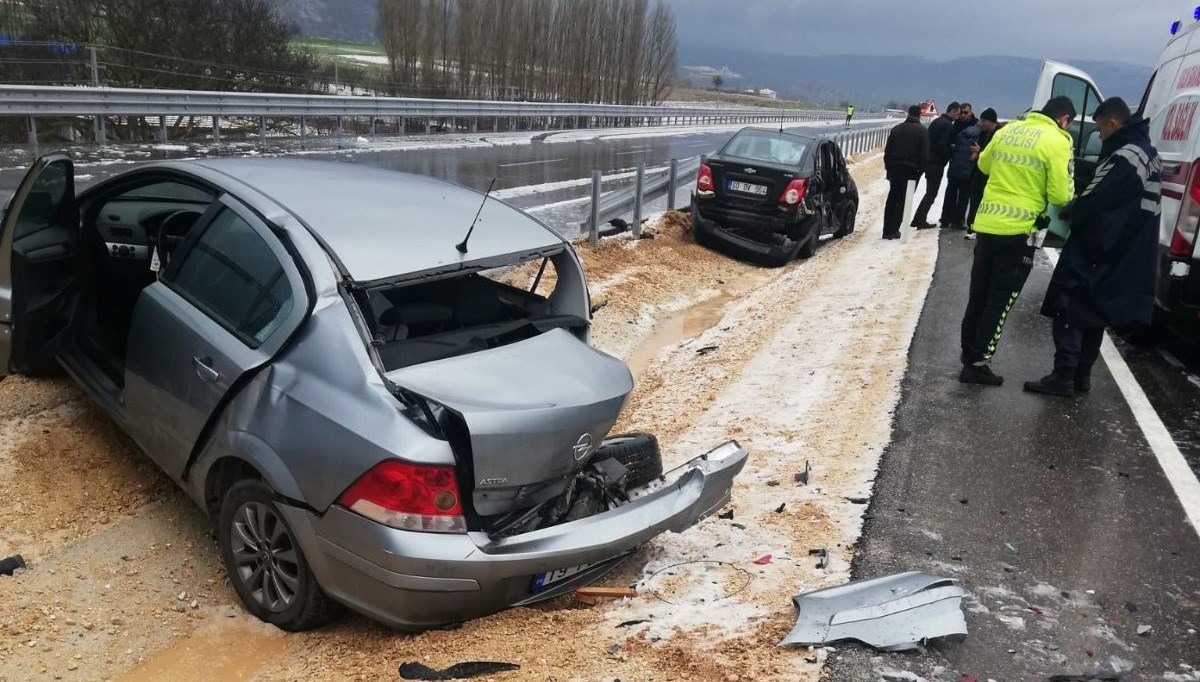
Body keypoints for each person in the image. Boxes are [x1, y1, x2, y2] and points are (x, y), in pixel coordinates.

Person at [1025, 97, 1162, 396]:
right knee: (1094, 313)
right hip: (1124, 248)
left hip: (1099, 245)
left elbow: (1096, 199)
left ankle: (1063, 377)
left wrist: (1070, 209)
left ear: (1113, 122)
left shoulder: (1126, 156)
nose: (1099, 136)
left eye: (1100, 129)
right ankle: (1081, 378)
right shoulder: (1147, 153)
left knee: (1069, 307)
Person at [959, 95, 1076, 386]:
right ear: (1064, 119)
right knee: (999, 301)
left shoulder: (1007, 130)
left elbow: (984, 165)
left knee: (979, 294)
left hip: (987, 225)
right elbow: (1061, 196)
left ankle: (967, 354)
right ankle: (977, 363)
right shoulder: (1058, 141)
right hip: (1019, 233)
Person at [882, 104, 930, 239]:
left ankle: (886, 230)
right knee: (904, 201)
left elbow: (887, 151)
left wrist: (889, 168)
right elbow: (924, 155)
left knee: (892, 199)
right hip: (911, 171)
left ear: (908, 113)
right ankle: (895, 229)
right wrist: (921, 171)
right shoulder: (922, 131)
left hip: (895, 170)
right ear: (919, 115)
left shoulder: (896, 129)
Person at [912, 102, 961, 230]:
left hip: (928, 160)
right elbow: (943, 145)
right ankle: (920, 220)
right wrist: (949, 155)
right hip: (937, 162)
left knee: (929, 192)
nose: (958, 116)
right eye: (958, 113)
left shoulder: (936, 122)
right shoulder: (948, 125)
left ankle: (917, 219)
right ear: (953, 111)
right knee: (932, 193)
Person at [965, 107, 1004, 239]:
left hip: (990, 175)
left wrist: (980, 152)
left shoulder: (1000, 135)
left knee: (984, 202)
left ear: (992, 121)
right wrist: (975, 154)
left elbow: (994, 155)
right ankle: (971, 227)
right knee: (974, 199)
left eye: (984, 121)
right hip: (978, 172)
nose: (981, 124)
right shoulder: (982, 133)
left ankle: (982, 228)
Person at [942, 106, 982, 231]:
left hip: (956, 166)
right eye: (961, 113)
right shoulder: (958, 126)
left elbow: (949, 144)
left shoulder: (958, 128)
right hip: (966, 167)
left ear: (971, 113)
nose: (963, 115)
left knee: (957, 194)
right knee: (957, 195)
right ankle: (953, 219)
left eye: (965, 112)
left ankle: (949, 219)